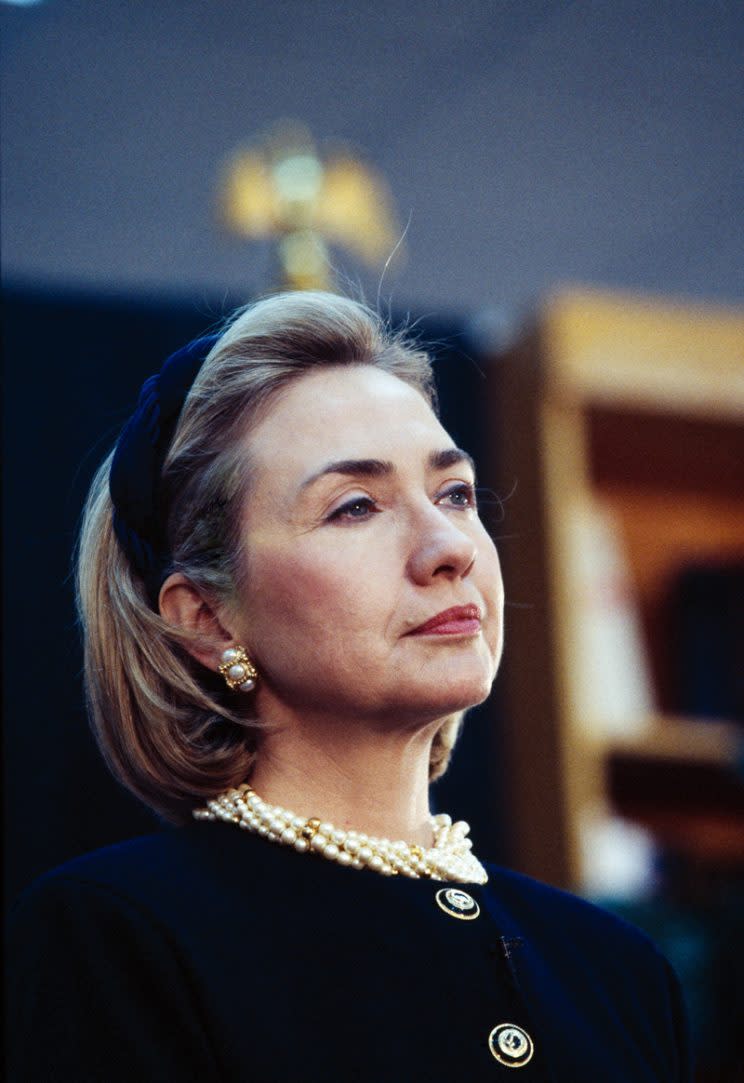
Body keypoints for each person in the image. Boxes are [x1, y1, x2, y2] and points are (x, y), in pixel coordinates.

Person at [8, 291, 690, 1081]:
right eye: (356, 506)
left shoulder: (620, 970)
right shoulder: (119, 935)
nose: (448, 548)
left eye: (456, 494)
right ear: (207, 618)